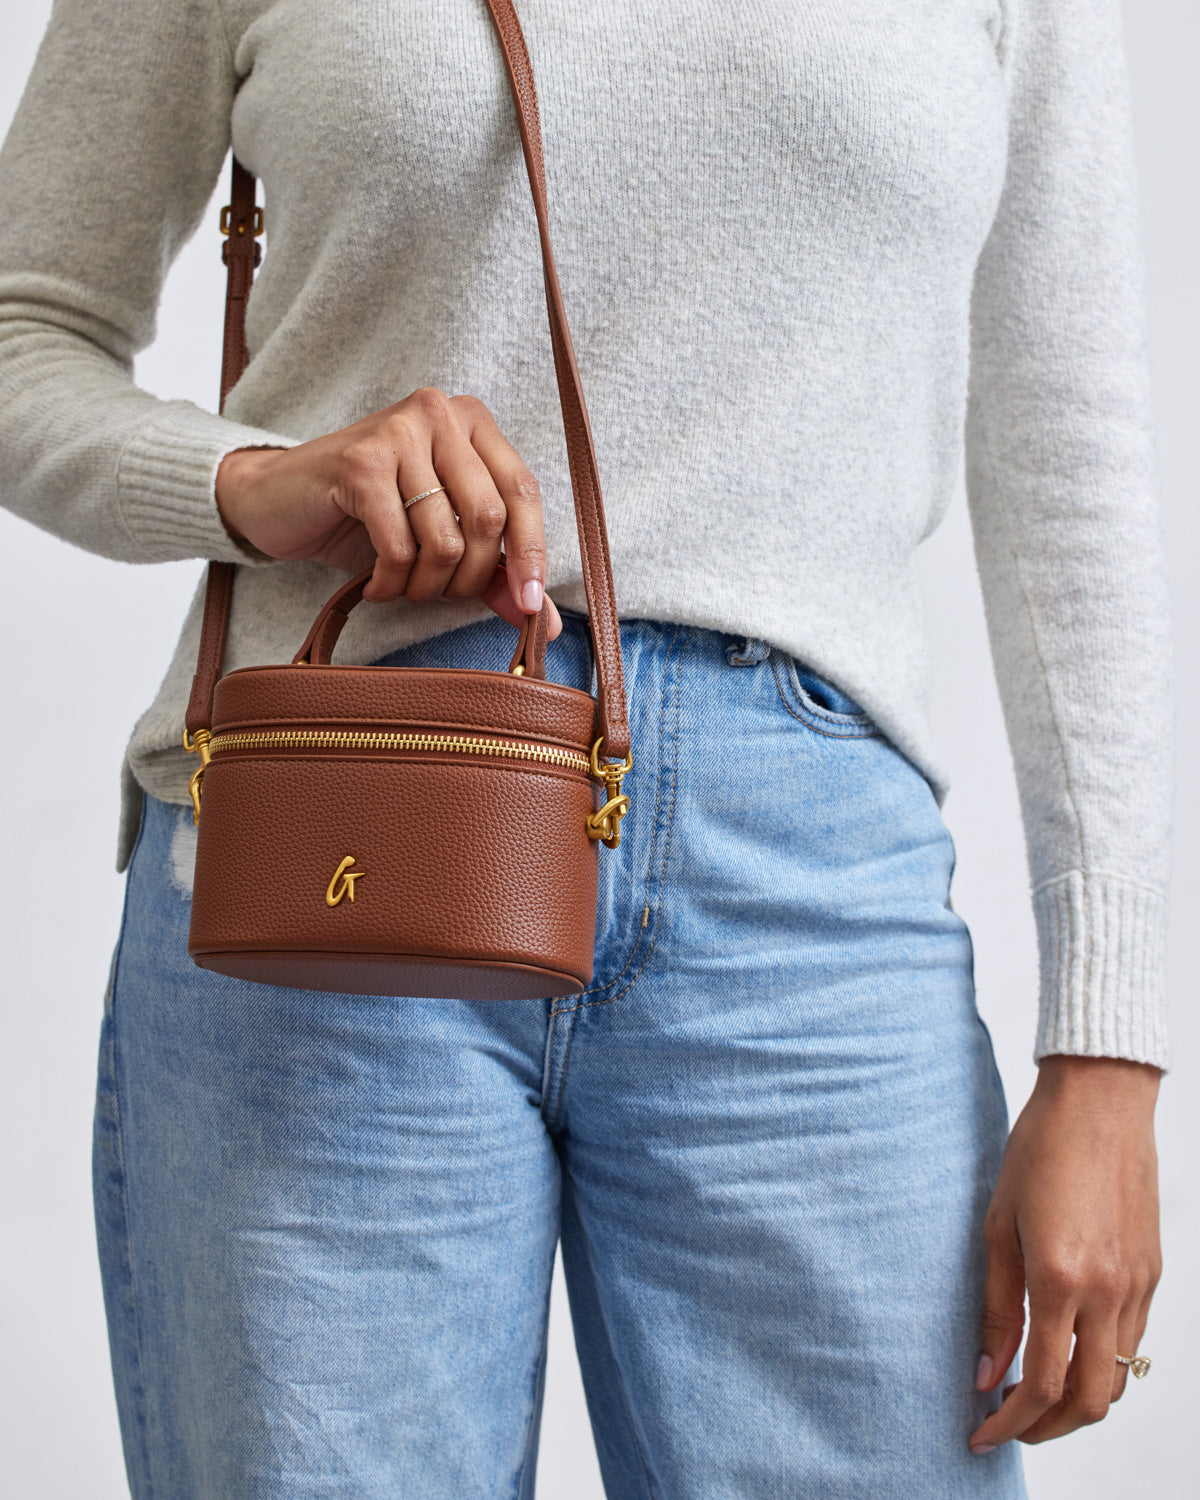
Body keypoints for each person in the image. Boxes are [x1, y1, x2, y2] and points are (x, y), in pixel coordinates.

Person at [0, 1, 1170, 1496]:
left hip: (807, 895)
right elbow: (25, 326)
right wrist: (250, 479)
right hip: (336, 857)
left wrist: (1108, 1050)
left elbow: (1071, 450)